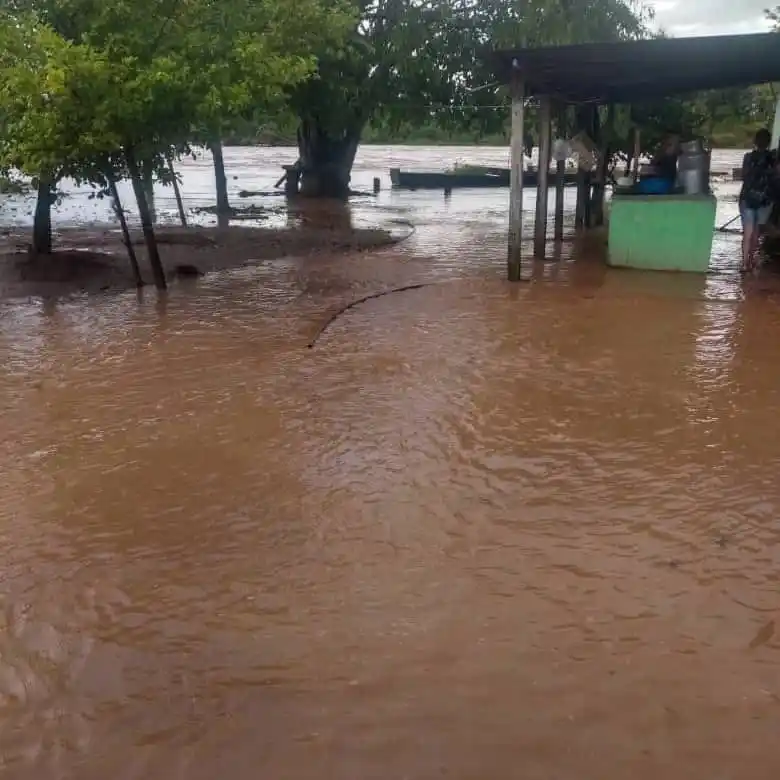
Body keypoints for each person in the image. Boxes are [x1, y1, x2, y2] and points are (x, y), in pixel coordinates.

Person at [739, 128, 777, 273]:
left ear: (755, 141)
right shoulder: (772, 158)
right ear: (769, 142)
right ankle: (752, 260)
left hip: (747, 198)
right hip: (764, 200)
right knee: (756, 232)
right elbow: (775, 177)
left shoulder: (748, 157)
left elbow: (744, 176)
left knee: (747, 232)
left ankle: (744, 264)